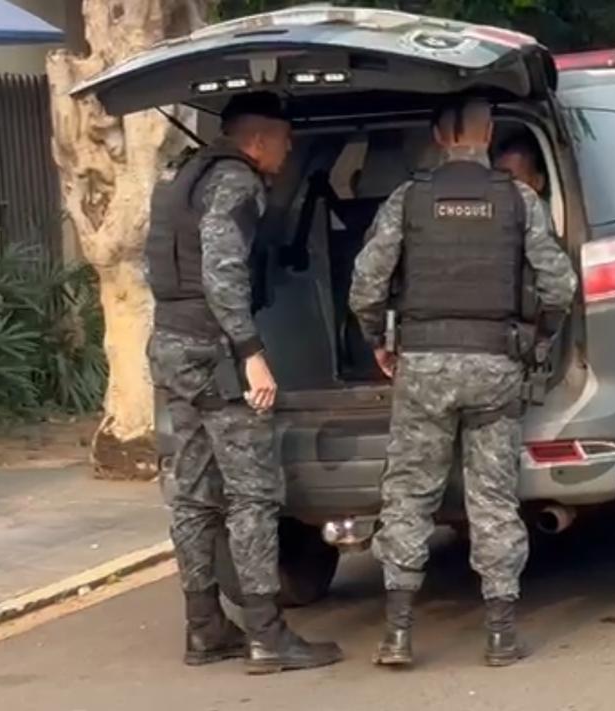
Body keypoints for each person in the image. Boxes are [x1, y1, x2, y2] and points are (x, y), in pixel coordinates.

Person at [349, 97, 577, 668]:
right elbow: (560, 286)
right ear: (489, 133)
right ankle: (500, 634)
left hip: (422, 367)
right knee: (493, 498)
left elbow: (366, 284)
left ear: (435, 134)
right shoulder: (519, 200)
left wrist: (378, 341)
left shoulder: (409, 199)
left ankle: (398, 633)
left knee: (408, 496)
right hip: (495, 367)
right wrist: (539, 343)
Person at [145, 91, 343, 675]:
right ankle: (266, 633)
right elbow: (221, 271)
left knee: (191, 493)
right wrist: (252, 352)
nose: (289, 150)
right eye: (284, 139)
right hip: (216, 353)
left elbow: (162, 264)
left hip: (172, 345)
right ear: (257, 139)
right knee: (253, 494)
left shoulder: (179, 177)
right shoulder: (236, 184)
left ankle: (204, 628)